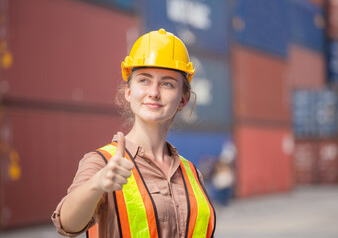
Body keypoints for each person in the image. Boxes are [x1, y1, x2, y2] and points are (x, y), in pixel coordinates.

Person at [51, 28, 216, 238]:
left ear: (183, 99)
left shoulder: (191, 172)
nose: (154, 92)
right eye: (144, 80)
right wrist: (97, 184)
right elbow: (67, 224)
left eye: (167, 83)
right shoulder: (102, 163)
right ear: (129, 92)